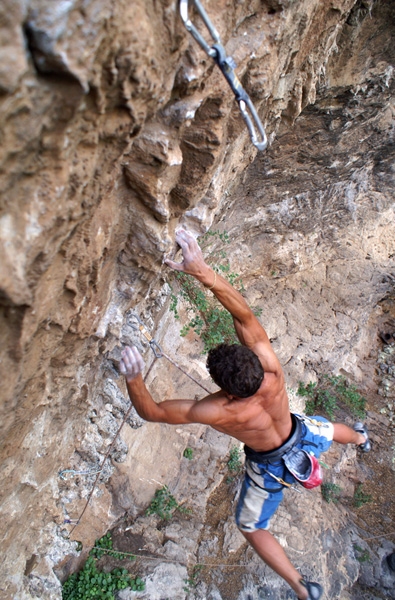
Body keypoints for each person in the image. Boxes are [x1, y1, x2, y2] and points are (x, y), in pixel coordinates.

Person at [119, 228, 370, 600]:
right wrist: (203, 271)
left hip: (269, 466)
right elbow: (244, 314)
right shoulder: (271, 370)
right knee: (329, 431)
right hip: (299, 435)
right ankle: (363, 438)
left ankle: (301, 588)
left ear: (227, 390)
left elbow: (153, 412)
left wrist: (134, 376)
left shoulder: (216, 409)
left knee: (251, 526)